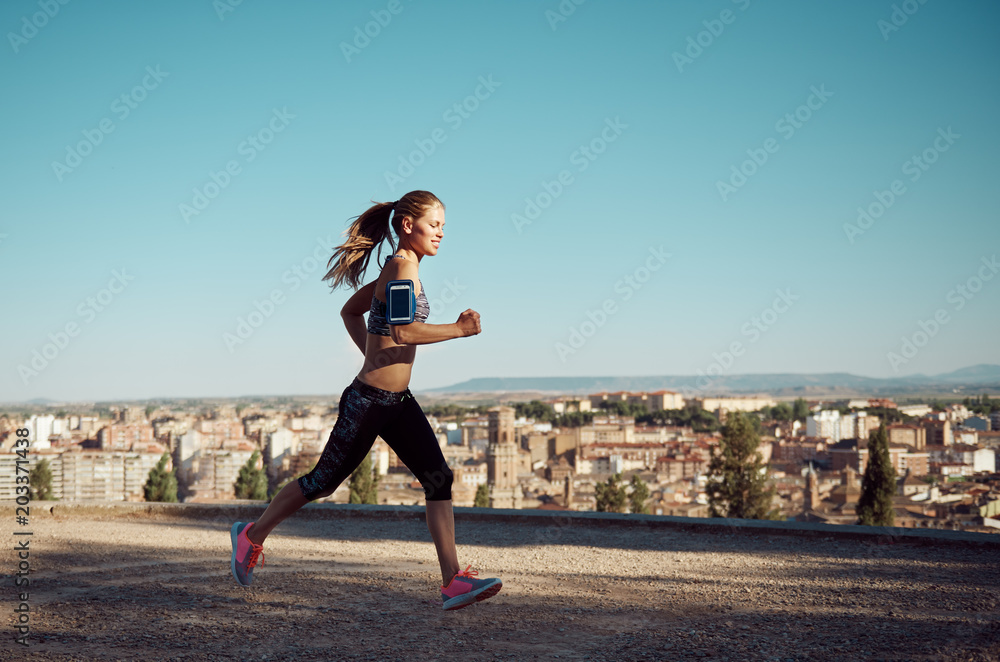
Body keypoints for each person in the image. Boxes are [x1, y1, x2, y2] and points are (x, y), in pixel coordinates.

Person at [229, 190, 501, 611]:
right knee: (322, 482)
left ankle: (452, 582)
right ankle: (251, 535)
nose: (442, 234)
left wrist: (375, 358)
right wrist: (459, 329)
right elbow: (403, 332)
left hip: (398, 402)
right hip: (368, 402)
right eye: (435, 225)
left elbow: (350, 313)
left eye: (444, 226)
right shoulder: (401, 267)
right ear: (408, 225)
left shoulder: (399, 271)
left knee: (438, 478)